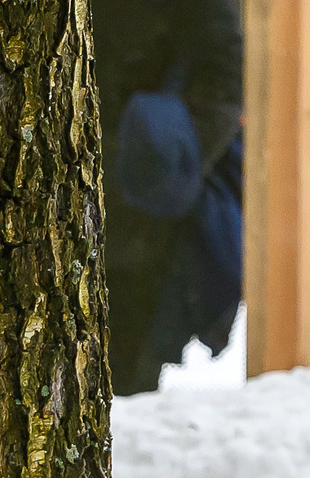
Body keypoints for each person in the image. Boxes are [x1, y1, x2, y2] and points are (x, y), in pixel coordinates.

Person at [96, 0, 245, 395]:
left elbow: (225, 78)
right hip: (86, 187)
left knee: (129, 370)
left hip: (150, 205)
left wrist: (171, 157)